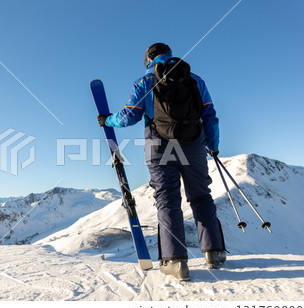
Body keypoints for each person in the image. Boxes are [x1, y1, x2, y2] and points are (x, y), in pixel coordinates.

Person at [97, 43, 226, 281]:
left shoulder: (145, 82)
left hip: (160, 145)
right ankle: (214, 253)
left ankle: (175, 261)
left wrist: (107, 121)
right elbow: (209, 114)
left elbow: (129, 116)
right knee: (201, 195)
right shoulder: (195, 79)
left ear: (148, 60)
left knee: (167, 198)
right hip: (194, 144)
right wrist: (213, 145)